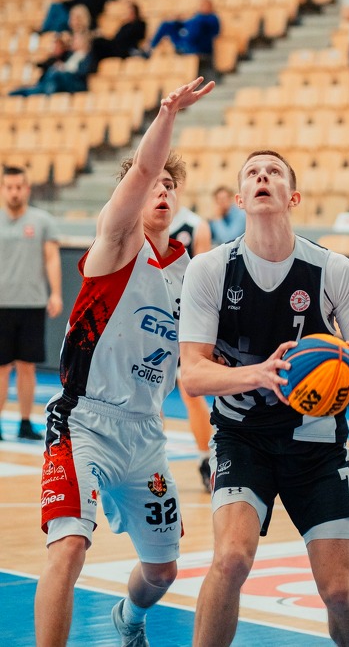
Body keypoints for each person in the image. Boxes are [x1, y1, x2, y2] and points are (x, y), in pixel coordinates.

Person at [34, 77, 215, 647]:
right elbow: (142, 171)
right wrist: (168, 115)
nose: (161, 190)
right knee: (69, 546)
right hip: (83, 421)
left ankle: (128, 619)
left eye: (170, 186)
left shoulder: (192, 274)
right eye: (153, 183)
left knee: (162, 571)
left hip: (145, 433)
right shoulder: (115, 243)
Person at [179, 149, 349, 646]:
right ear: (240, 199)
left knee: (339, 591)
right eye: (252, 172)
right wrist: (261, 375)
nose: (262, 177)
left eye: (273, 172)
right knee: (231, 559)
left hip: (316, 442)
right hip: (242, 437)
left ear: (293, 197)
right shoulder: (210, 269)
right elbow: (193, 374)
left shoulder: (333, 269)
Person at [0, 166, 62, 441]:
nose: (14, 192)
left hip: (32, 304)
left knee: (27, 366)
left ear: (27, 189)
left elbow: (51, 258)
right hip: (2, 304)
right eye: (9, 187)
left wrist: (56, 293)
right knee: (1, 368)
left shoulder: (42, 221)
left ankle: (25, 423)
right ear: (3, 189)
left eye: (19, 187)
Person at [169, 189, 213, 491]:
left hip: (183, 318)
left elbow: (204, 279)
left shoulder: (195, 226)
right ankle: (148, 461)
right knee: (144, 392)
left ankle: (207, 458)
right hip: (146, 315)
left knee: (190, 390)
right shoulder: (138, 222)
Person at [9, 32, 93, 97]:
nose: (73, 42)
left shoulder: (88, 56)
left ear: (83, 41)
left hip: (75, 82)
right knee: (51, 73)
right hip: (59, 81)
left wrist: (64, 69)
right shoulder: (70, 55)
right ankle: (27, 91)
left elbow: (83, 72)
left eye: (76, 40)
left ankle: (43, 95)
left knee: (54, 74)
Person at [146, 0, 220, 57]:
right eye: (201, 5)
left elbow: (215, 32)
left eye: (204, 5)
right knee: (167, 24)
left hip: (199, 44)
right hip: (184, 38)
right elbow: (186, 24)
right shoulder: (196, 16)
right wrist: (177, 20)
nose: (202, 7)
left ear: (210, 7)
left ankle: (184, 47)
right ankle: (150, 48)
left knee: (196, 24)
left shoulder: (212, 17)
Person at [89, 0, 147, 69]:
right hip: (116, 46)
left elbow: (134, 37)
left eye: (130, 12)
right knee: (98, 42)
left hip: (126, 48)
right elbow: (116, 37)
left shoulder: (140, 24)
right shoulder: (125, 25)